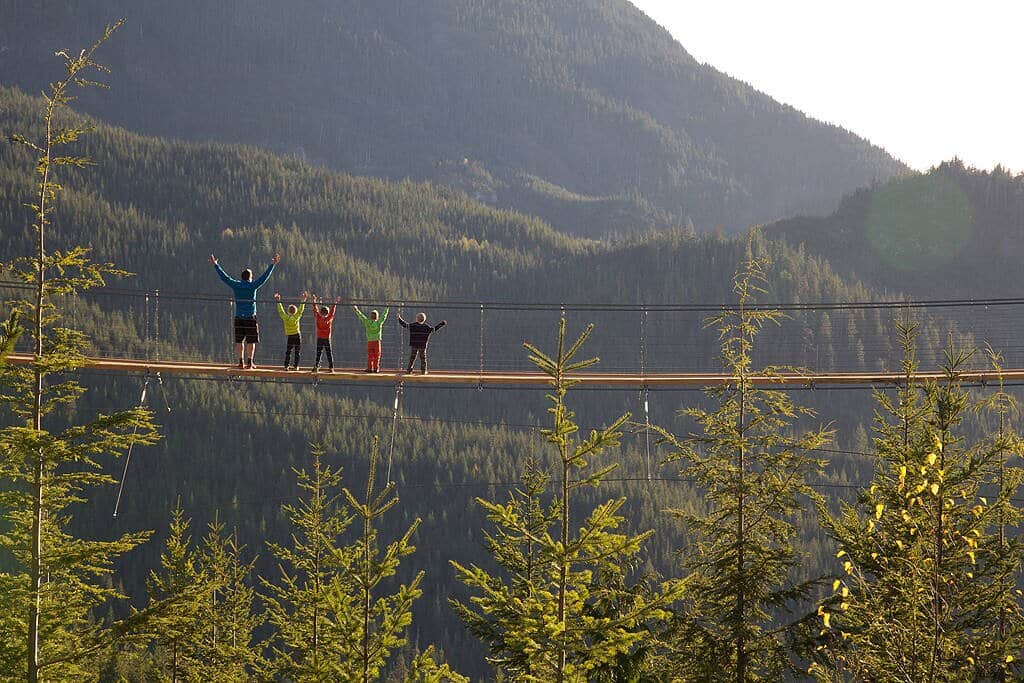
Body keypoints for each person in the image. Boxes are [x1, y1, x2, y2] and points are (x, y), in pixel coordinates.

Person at [210, 253, 279, 369]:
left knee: (239, 341)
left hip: (239, 317)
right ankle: (250, 362)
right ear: (250, 278)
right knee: (251, 341)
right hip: (250, 317)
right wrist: (272, 265)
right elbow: (264, 277)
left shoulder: (236, 285)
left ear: (242, 277)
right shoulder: (253, 286)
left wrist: (216, 265)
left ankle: (241, 362)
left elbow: (225, 278)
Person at [275, 291, 308, 370]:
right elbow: (301, 310)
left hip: (290, 336)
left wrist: (278, 301)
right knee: (297, 351)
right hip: (297, 334)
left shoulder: (285, 317)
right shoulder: (297, 317)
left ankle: (286, 366)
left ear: (288, 311)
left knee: (288, 351)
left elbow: (281, 311)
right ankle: (296, 366)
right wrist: (303, 300)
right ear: (295, 311)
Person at [353, 304, 389, 373]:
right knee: (377, 355)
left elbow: (361, 316)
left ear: (370, 316)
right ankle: (376, 369)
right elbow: (383, 316)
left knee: (370, 356)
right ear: (377, 317)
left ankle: (369, 368)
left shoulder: (367, 322)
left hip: (370, 341)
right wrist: (386, 308)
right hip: (377, 341)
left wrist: (356, 309)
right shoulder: (378, 322)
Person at [312, 295, 341, 373]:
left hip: (319, 338)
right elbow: (332, 312)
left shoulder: (318, 317)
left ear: (320, 312)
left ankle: (316, 366)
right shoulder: (329, 318)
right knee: (329, 353)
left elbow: (315, 310)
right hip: (327, 338)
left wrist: (314, 301)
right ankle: (331, 367)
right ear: (327, 313)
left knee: (318, 353)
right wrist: (335, 303)